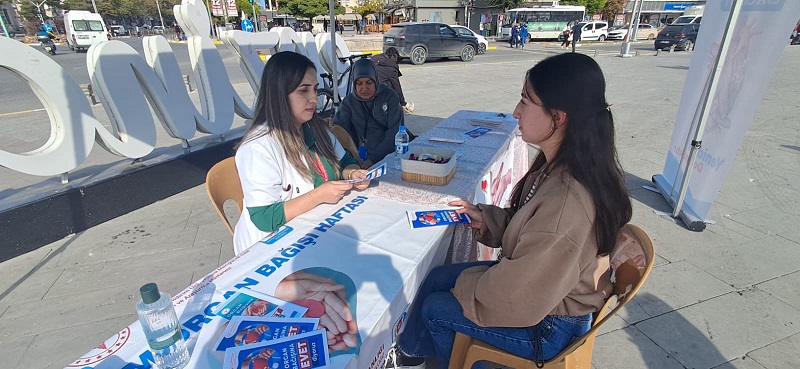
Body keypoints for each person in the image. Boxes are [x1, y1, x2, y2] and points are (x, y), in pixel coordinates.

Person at [390, 52, 632, 369]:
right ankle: (410, 355)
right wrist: (487, 219)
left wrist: (463, 288)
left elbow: (516, 297)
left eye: (525, 101)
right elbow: (533, 233)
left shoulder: (567, 203)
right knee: (438, 277)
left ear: (558, 117)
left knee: (437, 306)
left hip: (551, 327)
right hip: (545, 292)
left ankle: (453, 360)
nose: (516, 112)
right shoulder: (561, 164)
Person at [233, 52, 371, 254]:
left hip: (315, 230)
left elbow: (344, 161)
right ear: (279, 94)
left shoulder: (316, 128)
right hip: (270, 249)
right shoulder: (258, 148)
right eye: (303, 91)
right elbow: (265, 217)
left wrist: (352, 173)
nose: (314, 98)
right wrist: (318, 196)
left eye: (315, 89)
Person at [333, 58, 407, 169]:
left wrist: (373, 159)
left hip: (389, 157)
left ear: (376, 80)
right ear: (354, 84)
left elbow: (394, 132)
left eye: (369, 82)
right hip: (360, 160)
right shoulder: (349, 102)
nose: (364, 88)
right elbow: (340, 132)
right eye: (359, 83)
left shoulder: (389, 96)